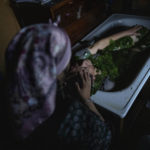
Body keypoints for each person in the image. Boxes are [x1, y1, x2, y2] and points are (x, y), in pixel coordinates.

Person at [4, 21, 112, 150]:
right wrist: (87, 99)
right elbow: (106, 137)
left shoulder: (8, 90)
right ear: (59, 69)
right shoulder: (68, 113)